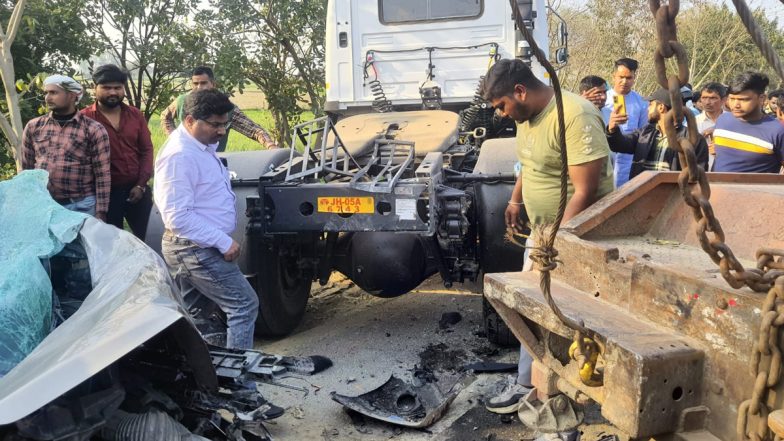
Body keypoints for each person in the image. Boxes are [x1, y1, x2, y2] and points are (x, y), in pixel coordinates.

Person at [481, 59, 614, 414]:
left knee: (561, 322)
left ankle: (560, 407)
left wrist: (556, 243)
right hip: (543, 236)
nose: (502, 114)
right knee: (529, 309)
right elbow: (529, 163)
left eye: (502, 106)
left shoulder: (575, 114)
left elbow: (585, 191)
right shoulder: (527, 117)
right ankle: (527, 384)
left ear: (520, 91)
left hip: (574, 239)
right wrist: (515, 198)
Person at [154, 89, 260, 350]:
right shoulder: (180, 155)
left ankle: (208, 381)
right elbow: (177, 216)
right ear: (189, 120)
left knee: (197, 319)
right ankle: (241, 386)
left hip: (195, 246)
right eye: (215, 124)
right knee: (243, 305)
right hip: (194, 249)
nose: (222, 131)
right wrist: (223, 242)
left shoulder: (200, 146)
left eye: (225, 124)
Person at [22, 74, 112, 318]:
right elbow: (27, 170)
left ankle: (82, 313)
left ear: (73, 95)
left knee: (81, 261)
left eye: (54, 92)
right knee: (45, 258)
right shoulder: (34, 126)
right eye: (46, 92)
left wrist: (101, 212)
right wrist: (27, 206)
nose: (47, 97)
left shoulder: (93, 130)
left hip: (80, 205)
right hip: (46, 207)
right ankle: (49, 310)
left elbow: (102, 173)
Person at [82, 64, 154, 239]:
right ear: (95, 88)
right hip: (105, 195)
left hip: (138, 190)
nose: (113, 92)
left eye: (117, 88)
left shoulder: (135, 115)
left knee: (150, 237)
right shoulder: (84, 119)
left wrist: (141, 184)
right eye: (106, 88)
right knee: (111, 244)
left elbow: (146, 150)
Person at [160, 66, 277, 152]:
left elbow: (253, 129)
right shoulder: (182, 101)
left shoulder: (224, 107)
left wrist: (271, 146)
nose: (199, 87)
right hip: (184, 157)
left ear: (213, 84)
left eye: (203, 83)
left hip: (213, 160)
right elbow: (165, 116)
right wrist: (174, 137)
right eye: (195, 83)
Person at [606, 88, 709, 179]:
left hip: (672, 196)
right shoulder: (645, 133)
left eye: (650, 105)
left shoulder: (694, 140)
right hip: (644, 194)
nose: (647, 109)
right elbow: (620, 145)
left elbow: (698, 176)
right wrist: (612, 129)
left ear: (661, 107)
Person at [713, 71, 784, 173]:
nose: (736, 105)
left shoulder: (778, 131)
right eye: (732, 99)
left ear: (762, 98)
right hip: (717, 187)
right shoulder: (722, 120)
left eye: (744, 100)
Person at [602, 58, 648, 187]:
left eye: (629, 78)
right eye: (621, 77)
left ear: (634, 78)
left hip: (628, 162)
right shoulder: (602, 99)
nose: (624, 81)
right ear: (614, 76)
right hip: (605, 158)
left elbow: (643, 134)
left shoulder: (641, 103)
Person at [695, 82, 727, 169]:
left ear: (724, 100)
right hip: (700, 172)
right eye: (704, 98)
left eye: (713, 98)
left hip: (727, 173)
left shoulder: (733, 122)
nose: (707, 102)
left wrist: (722, 149)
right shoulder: (693, 123)